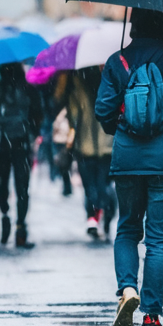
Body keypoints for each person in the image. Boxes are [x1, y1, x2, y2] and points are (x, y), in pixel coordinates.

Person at [95, 9, 163, 326]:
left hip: (127, 159)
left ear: (134, 27)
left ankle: (127, 289)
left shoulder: (117, 62)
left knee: (127, 228)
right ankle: (151, 317)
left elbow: (103, 111)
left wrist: (121, 127)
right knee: (159, 241)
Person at [0, 62, 43, 248]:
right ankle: (20, 227)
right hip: (21, 143)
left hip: (1, 144)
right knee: (22, 186)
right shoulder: (28, 89)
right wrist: (32, 133)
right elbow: (38, 114)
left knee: (2, 183)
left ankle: (5, 216)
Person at [57, 67, 115, 239]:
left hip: (85, 145)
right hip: (107, 145)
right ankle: (105, 213)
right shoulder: (110, 84)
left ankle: (92, 218)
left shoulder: (77, 87)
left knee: (90, 186)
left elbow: (73, 117)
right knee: (103, 184)